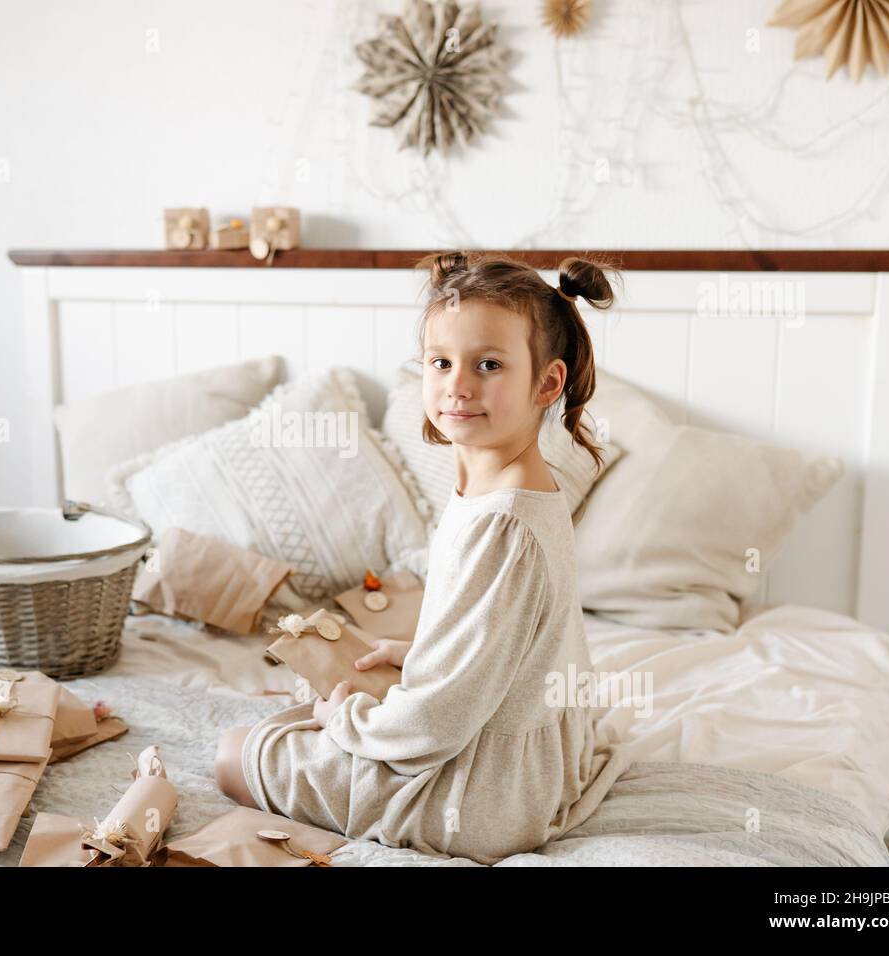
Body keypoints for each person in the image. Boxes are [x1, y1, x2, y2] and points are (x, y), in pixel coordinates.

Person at [214, 251, 635, 864]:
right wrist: (419, 655)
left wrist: (347, 721)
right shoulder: (512, 488)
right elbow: (514, 642)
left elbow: (437, 722)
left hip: (487, 796)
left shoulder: (506, 524)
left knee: (235, 754)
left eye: (488, 365)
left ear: (546, 383)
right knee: (312, 710)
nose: (457, 385)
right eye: (441, 363)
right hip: (521, 748)